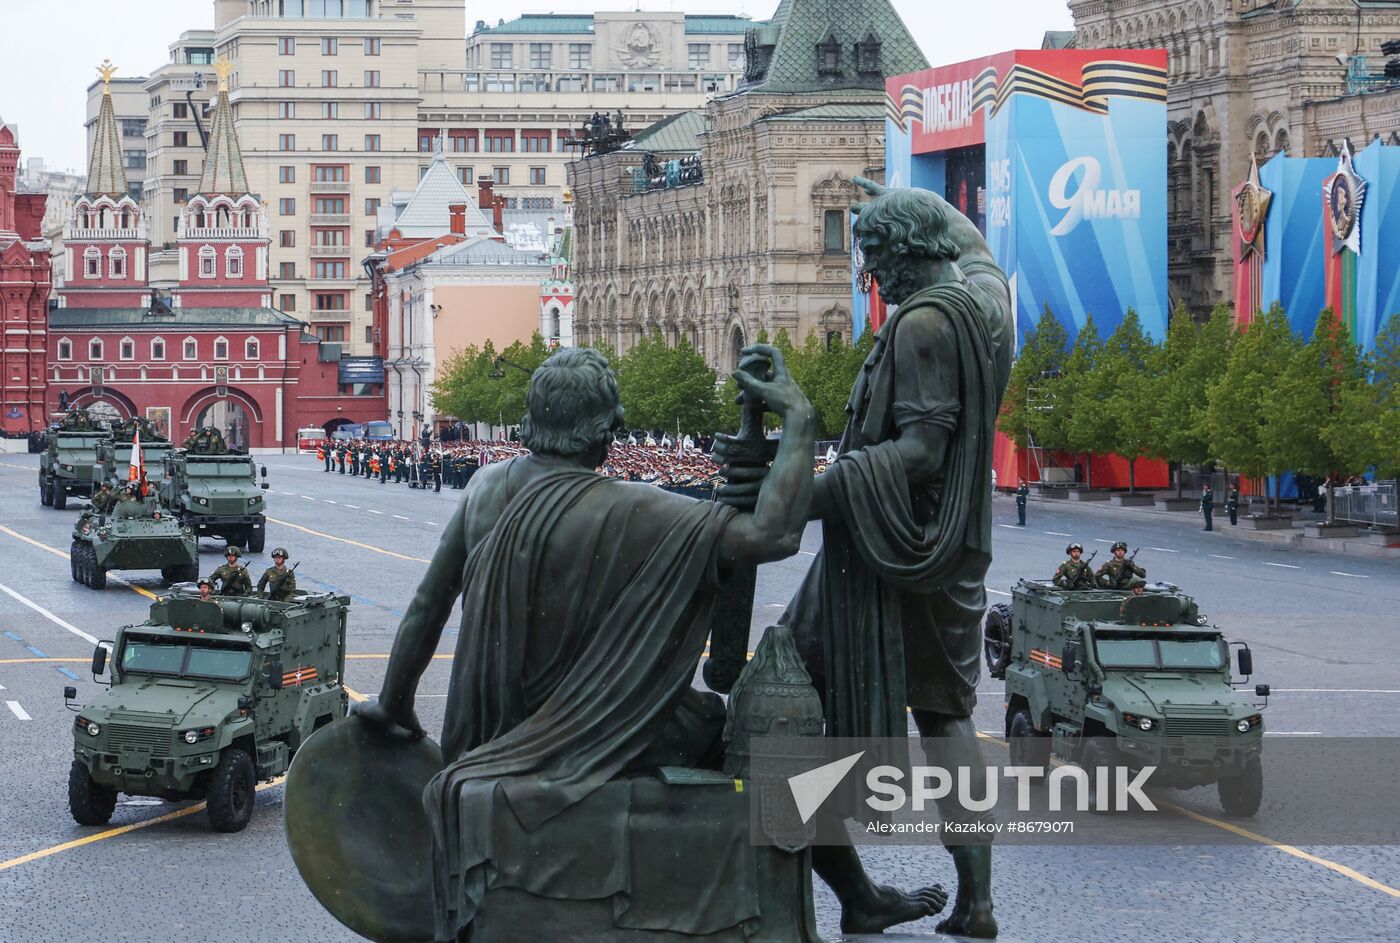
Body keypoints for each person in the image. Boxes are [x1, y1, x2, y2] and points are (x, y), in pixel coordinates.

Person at [358, 345, 825, 942]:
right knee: (734, 737)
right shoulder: (637, 508)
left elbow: (425, 609)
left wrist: (393, 705)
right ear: (608, 430)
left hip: (488, 735)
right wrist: (800, 420)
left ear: (532, 422)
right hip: (596, 735)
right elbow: (775, 534)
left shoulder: (482, 489)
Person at [722, 179, 1010, 936]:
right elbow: (977, 248)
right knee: (947, 716)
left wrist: (802, 487)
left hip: (892, 548)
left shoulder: (923, 326)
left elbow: (918, 449)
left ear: (914, 252)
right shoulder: (984, 302)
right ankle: (974, 901)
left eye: (877, 253)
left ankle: (853, 891)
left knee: (779, 695)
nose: (868, 274)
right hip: (949, 555)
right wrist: (907, 197)